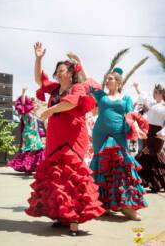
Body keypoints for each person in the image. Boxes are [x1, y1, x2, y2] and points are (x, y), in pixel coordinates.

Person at [25, 42, 105, 236]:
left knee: (72, 176)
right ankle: (62, 215)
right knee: (57, 176)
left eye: (61, 70)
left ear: (70, 72)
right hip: (54, 135)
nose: (58, 73)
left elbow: (70, 104)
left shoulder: (77, 88)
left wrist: (50, 110)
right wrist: (38, 58)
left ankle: (75, 220)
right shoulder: (54, 90)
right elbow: (38, 79)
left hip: (73, 136)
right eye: (57, 70)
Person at [90, 68, 148, 221]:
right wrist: (79, 62)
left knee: (122, 166)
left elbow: (130, 117)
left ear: (118, 82)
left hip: (118, 135)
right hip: (100, 135)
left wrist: (137, 130)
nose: (107, 81)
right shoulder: (101, 96)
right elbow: (86, 78)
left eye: (110, 78)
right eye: (106, 79)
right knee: (102, 168)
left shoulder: (126, 98)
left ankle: (126, 205)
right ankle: (102, 205)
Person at [134, 83, 165, 193]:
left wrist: (163, 133)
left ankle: (153, 182)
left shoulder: (164, 106)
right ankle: (150, 182)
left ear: (162, 94)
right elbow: (144, 98)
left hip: (157, 134)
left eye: (157, 92)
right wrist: (137, 88)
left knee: (154, 156)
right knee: (148, 157)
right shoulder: (153, 105)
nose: (154, 93)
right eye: (154, 91)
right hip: (149, 133)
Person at [8, 88, 45, 173]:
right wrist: (23, 92)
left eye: (35, 104)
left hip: (34, 134)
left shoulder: (34, 115)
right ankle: (26, 166)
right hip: (29, 134)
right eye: (34, 104)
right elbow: (23, 102)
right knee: (31, 150)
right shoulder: (26, 113)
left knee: (37, 149)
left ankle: (30, 166)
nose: (35, 105)